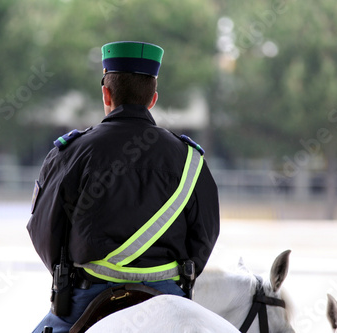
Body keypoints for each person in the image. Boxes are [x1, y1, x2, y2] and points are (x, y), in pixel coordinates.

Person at [27, 41, 220, 333]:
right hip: (169, 293)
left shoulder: (71, 153)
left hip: (89, 293)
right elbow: (205, 235)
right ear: (153, 98)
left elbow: (44, 233)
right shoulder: (191, 159)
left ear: (106, 93)